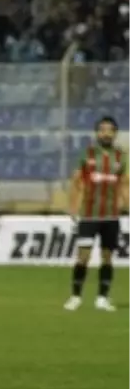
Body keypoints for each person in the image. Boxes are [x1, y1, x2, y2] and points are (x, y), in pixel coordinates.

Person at [64, 115, 127, 312]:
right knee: (83, 256)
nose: (106, 133)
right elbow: (76, 181)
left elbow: (126, 183)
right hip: (89, 215)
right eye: (103, 130)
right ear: (97, 133)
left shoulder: (121, 156)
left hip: (111, 216)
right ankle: (75, 296)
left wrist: (126, 203)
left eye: (110, 130)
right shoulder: (87, 154)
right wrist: (73, 206)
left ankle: (102, 298)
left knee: (107, 257)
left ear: (115, 133)